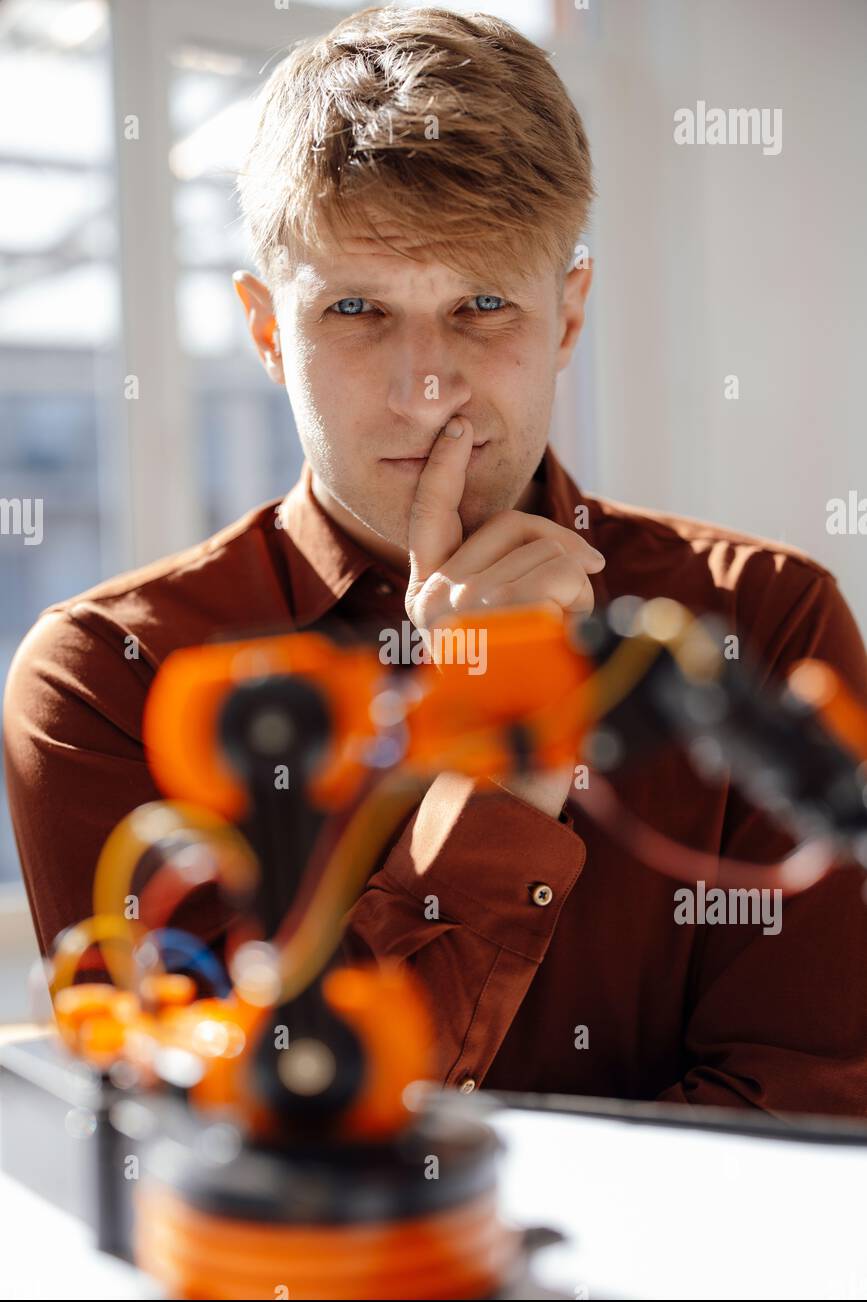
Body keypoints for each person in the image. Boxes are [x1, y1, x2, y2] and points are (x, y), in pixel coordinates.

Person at [4, 7, 867, 1115]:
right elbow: (220, 1145)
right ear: (269, 332)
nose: (427, 385)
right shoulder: (105, 675)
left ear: (568, 315)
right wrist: (496, 761)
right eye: (358, 308)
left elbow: (808, 1125)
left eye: (483, 304)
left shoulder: (767, 619)